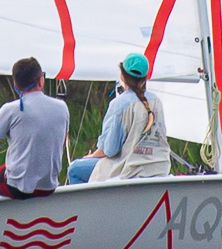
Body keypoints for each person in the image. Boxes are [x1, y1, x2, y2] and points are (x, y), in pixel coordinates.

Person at [0, 57, 70, 200]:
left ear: (16, 85)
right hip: (49, 186)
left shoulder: (10, 109)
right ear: (41, 80)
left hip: (18, 187)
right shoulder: (62, 108)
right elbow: (60, 144)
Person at [66, 53, 170, 184]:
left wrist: (92, 156)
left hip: (129, 169)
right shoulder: (156, 101)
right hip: (159, 167)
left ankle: (87, 205)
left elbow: (110, 149)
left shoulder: (119, 104)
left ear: (122, 75)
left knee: (75, 169)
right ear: (146, 76)